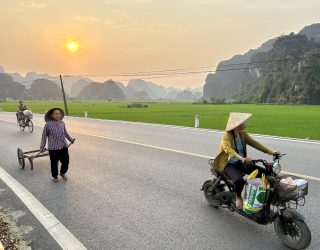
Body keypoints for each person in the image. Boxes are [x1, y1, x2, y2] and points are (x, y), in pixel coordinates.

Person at [212, 112, 280, 209]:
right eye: (243, 122)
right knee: (239, 181)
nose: (245, 123)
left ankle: (264, 197)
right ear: (237, 124)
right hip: (228, 164)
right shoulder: (227, 136)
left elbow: (255, 144)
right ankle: (238, 196)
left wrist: (271, 152)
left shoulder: (242, 134)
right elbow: (228, 149)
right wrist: (242, 158)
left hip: (241, 162)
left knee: (265, 173)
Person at [40, 108, 75, 182]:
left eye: (58, 114)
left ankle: (62, 173)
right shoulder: (48, 125)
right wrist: (42, 147)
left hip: (63, 146)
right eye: (55, 114)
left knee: (66, 161)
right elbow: (44, 136)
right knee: (54, 163)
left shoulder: (62, 123)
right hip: (53, 148)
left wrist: (70, 139)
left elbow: (65, 133)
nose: (57, 115)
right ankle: (55, 176)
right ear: (52, 115)